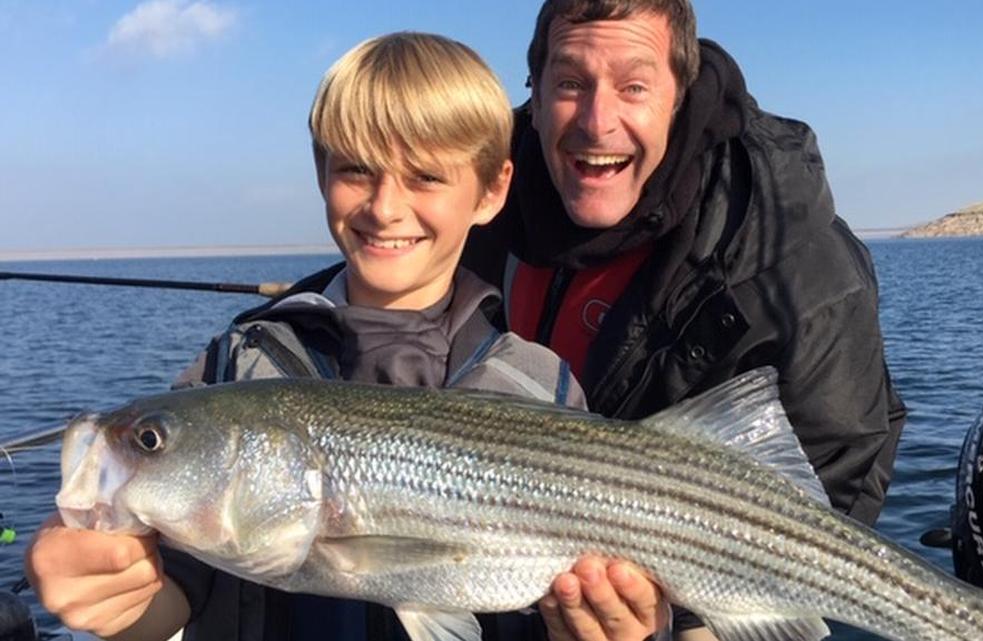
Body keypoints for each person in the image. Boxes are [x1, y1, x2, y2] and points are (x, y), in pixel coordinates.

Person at [25, 32, 646, 641]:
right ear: (321, 172)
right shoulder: (236, 367)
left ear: (491, 190)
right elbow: (171, 599)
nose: (385, 207)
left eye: (427, 177)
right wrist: (110, 598)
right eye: (356, 169)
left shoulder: (541, 384)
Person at [461, 0, 908, 638]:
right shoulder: (477, 194)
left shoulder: (798, 269)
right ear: (533, 93)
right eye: (569, 83)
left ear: (681, 94)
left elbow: (835, 479)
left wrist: (682, 624)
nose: (596, 122)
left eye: (634, 86)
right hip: (491, 562)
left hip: (692, 586)